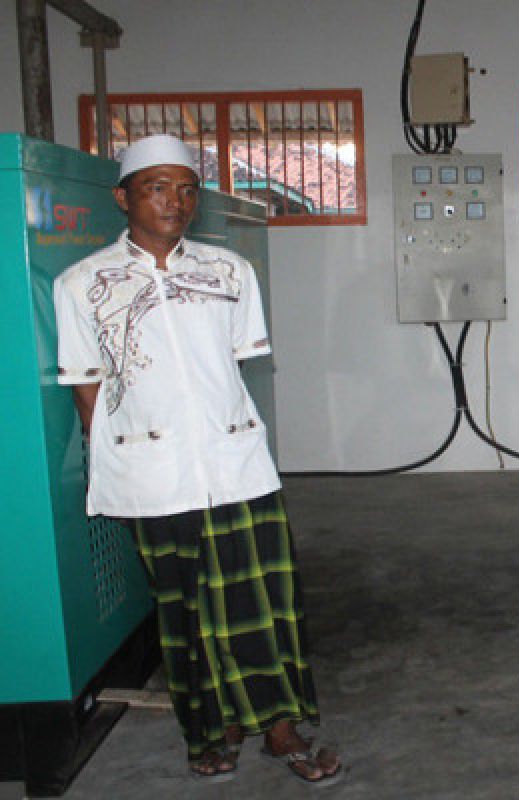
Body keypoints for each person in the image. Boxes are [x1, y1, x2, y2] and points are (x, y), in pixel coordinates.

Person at [53, 135, 343, 786]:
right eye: (157, 187)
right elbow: (87, 387)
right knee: (186, 610)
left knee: (263, 600)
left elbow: (229, 371)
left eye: (186, 190)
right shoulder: (84, 285)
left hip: (236, 462)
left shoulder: (228, 273)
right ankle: (214, 730)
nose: (174, 202)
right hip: (153, 475)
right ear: (123, 196)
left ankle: (279, 726)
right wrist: (115, 470)